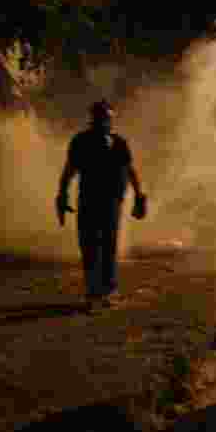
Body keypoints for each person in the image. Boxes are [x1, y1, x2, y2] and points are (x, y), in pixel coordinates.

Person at [57, 100, 147, 308]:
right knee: (88, 245)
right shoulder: (81, 141)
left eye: (107, 118)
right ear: (93, 118)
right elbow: (69, 170)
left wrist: (139, 195)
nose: (104, 122)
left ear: (111, 120)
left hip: (111, 202)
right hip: (88, 200)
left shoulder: (119, 143)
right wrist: (62, 193)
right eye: (100, 117)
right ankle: (92, 290)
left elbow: (130, 170)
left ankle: (107, 290)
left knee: (108, 245)